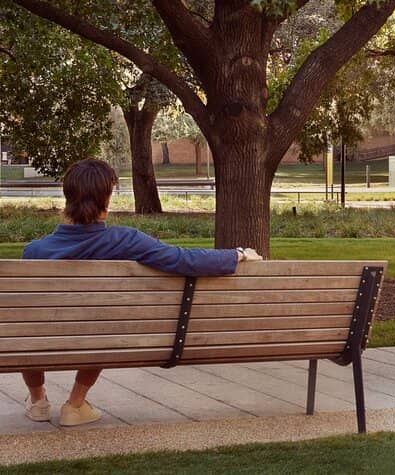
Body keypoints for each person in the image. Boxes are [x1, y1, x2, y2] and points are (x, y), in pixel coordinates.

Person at [20, 158, 262, 427]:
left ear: (67, 198)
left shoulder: (34, 252)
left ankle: (38, 401)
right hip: (97, 339)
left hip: (40, 340)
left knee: (27, 330)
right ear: (107, 199)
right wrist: (236, 254)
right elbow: (183, 259)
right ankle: (75, 406)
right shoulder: (124, 240)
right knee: (99, 326)